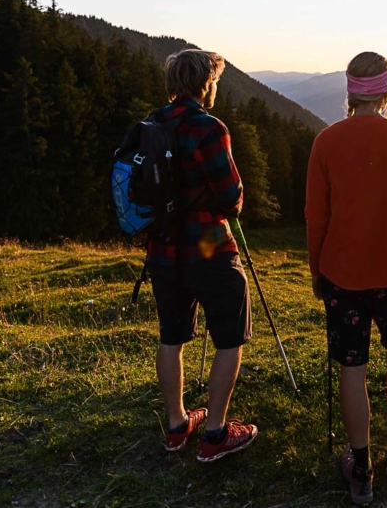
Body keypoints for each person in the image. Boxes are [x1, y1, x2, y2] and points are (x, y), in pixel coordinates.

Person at [305, 52, 387, 504]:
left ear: (349, 92)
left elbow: (316, 218)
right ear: (385, 91)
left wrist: (317, 268)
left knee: (351, 367)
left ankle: (361, 471)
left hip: (342, 275)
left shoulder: (326, 141)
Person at [146, 48, 258, 463]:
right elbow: (231, 198)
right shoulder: (207, 128)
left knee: (171, 337)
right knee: (230, 337)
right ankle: (214, 434)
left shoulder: (152, 125)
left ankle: (177, 426)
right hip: (209, 250)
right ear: (204, 83)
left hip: (162, 252)